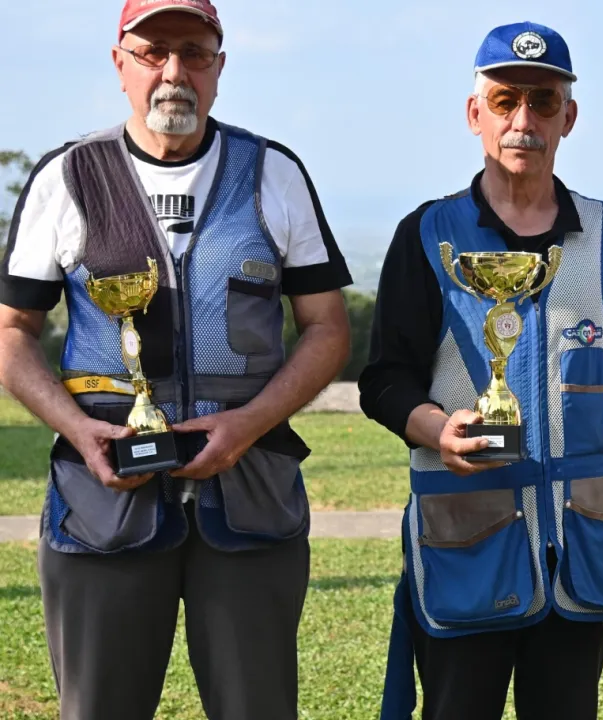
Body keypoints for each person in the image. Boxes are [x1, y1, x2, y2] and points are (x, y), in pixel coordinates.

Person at [0, 1, 353, 718]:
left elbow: (327, 329)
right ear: (119, 63)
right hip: (105, 500)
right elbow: (11, 333)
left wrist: (250, 424)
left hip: (251, 494)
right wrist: (78, 431)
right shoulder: (68, 176)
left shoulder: (273, 172)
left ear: (219, 67)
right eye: (152, 51)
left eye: (193, 52)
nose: (173, 71)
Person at [359, 21, 603, 720]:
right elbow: (384, 379)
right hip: (465, 543)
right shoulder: (428, 235)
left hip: (581, 547)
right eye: (505, 101)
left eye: (543, 101)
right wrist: (436, 430)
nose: (524, 119)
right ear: (476, 114)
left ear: (568, 117)